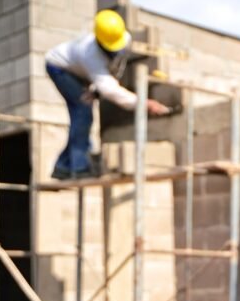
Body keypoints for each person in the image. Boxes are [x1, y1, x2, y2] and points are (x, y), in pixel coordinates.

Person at [45, 9, 170, 180]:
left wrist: (97, 91)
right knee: (82, 111)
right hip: (59, 68)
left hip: (80, 71)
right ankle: (79, 167)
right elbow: (110, 89)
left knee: (83, 112)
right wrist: (142, 103)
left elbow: (114, 71)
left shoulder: (123, 39)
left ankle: (63, 166)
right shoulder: (89, 53)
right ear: (100, 41)